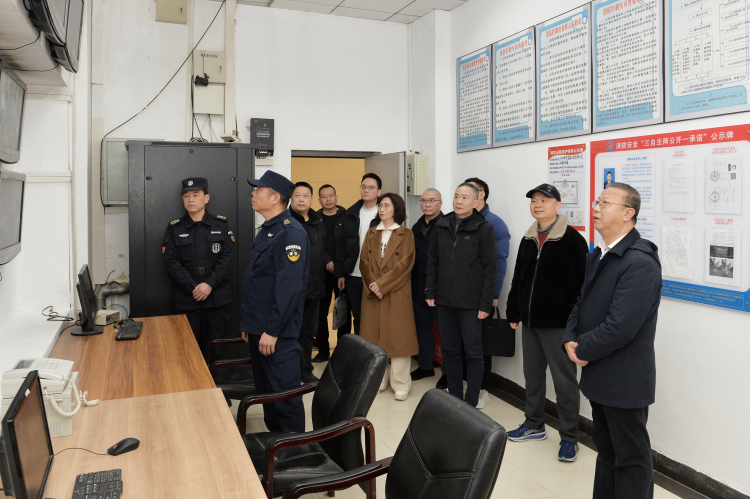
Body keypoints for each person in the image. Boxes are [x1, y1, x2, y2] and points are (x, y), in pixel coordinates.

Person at [563, 182, 661, 498]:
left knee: (630, 459)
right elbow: (582, 301)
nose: (596, 208)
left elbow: (621, 326)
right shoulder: (602, 253)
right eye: (596, 202)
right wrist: (570, 337)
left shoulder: (639, 261)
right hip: (600, 374)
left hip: (624, 379)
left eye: (604, 203)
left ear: (628, 213)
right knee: (606, 451)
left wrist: (583, 349)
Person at [505, 183, 588, 462]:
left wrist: (571, 323)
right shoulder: (528, 238)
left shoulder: (573, 241)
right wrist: (514, 311)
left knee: (564, 382)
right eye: (534, 201)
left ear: (558, 205)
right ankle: (534, 424)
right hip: (530, 322)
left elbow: (581, 288)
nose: (538, 205)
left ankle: (570, 437)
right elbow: (519, 278)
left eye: (544, 200)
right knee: (533, 377)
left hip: (558, 325)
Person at [240, 170, 309, 433]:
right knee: (268, 394)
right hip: (260, 328)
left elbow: (289, 288)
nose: (253, 193)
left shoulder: (291, 234)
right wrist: (250, 324)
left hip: (277, 334)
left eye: (259, 189)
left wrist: (272, 330)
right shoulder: (269, 230)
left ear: (275, 198)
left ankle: (296, 450)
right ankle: (276, 447)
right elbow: (258, 283)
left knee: (284, 396)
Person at [425, 183, 497, 407]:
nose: (458, 201)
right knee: (450, 350)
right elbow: (432, 261)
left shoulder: (483, 229)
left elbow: (490, 269)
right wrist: (430, 290)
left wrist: (485, 304)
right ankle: (455, 397)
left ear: (476, 202)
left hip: (471, 304)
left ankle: (471, 401)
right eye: (456, 196)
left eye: (464, 197)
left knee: (473, 352)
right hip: (444, 301)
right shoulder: (442, 225)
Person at [162, 177, 235, 357]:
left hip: (216, 298)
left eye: (196, 195)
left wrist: (209, 284)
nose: (191, 199)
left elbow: (227, 259)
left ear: (206, 198)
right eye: (186, 196)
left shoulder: (221, 225)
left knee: (215, 350)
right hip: (187, 299)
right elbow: (171, 261)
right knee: (187, 350)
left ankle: (214, 376)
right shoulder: (174, 228)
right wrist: (192, 287)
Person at [359, 193, 418, 401]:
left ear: (397, 209)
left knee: (399, 340)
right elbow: (364, 262)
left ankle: (401, 383)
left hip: (396, 291)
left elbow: (405, 265)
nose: (382, 209)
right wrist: (373, 284)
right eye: (380, 206)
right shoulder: (371, 233)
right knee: (374, 339)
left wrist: (381, 285)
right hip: (372, 293)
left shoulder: (406, 234)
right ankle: (379, 381)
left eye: (386, 205)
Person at [462, 177, 511, 409]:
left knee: (480, 345)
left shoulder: (495, 224)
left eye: (469, 193)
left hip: (482, 295)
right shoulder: (458, 220)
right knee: (462, 343)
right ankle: (465, 383)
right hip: (459, 295)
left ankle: (482, 388)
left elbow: (498, 263)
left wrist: (494, 295)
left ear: (480, 195)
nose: (462, 198)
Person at [289, 181, 328, 383]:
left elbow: (323, 251)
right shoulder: (286, 222)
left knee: (308, 333)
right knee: (292, 333)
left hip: (315, 287)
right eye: (297, 195)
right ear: (291, 198)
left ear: (312, 199)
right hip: (293, 290)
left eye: (305, 196)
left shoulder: (318, 222)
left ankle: (305, 371)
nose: (301, 199)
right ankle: (290, 372)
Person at [335, 173, 382, 335]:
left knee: (376, 316)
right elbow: (341, 246)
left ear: (379, 191)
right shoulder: (350, 214)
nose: (366, 190)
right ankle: (361, 350)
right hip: (353, 274)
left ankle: (377, 349)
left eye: (371, 187)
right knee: (358, 316)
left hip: (376, 276)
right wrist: (341, 273)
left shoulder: (384, 214)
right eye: (363, 187)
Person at [314, 184, 350, 362]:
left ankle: (343, 352)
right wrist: (327, 261)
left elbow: (351, 243)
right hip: (321, 272)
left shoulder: (347, 217)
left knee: (344, 312)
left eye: (331, 195)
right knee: (320, 313)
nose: (328, 199)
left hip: (343, 272)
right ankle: (323, 350)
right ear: (319, 200)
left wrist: (339, 266)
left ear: (336, 197)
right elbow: (314, 245)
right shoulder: (314, 219)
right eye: (324, 196)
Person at [410, 188, 443, 381]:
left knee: (446, 333)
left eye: (432, 200)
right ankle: (425, 366)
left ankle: (448, 372)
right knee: (422, 329)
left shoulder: (447, 225)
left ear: (440, 203)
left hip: (439, 289)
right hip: (418, 287)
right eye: (424, 200)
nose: (427, 204)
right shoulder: (416, 227)